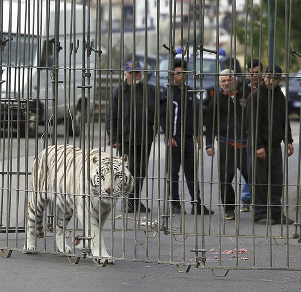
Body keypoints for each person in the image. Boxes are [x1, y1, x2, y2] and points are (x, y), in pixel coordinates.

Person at [161, 59, 213, 215]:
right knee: (173, 172)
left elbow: (196, 114)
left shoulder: (190, 92)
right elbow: (164, 116)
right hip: (174, 138)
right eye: (178, 73)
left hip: (189, 138)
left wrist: (198, 132)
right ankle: (175, 203)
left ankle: (196, 203)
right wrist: (168, 135)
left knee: (191, 172)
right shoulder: (168, 92)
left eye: (184, 73)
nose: (181, 76)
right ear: (172, 75)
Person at [246, 64, 294, 225]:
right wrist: (258, 146)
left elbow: (284, 118)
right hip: (260, 144)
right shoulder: (256, 96)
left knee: (276, 180)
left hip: (274, 144)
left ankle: (276, 213)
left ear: (279, 79)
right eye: (268, 77)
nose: (270, 80)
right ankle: (259, 214)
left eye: (274, 78)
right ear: (264, 76)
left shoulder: (280, 95)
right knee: (259, 180)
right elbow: (252, 124)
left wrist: (288, 139)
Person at [106, 61, 156, 213]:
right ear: (125, 74)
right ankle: (128, 201)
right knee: (129, 170)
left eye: (137, 72)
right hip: (126, 139)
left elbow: (160, 108)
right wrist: (114, 138)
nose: (135, 75)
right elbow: (111, 116)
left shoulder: (149, 90)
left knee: (141, 171)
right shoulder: (118, 91)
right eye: (131, 72)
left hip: (145, 137)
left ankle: (135, 201)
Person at [205, 69, 248, 220]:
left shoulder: (246, 96)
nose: (226, 83)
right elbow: (210, 123)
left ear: (235, 80)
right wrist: (209, 144)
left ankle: (262, 209)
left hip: (246, 144)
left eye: (228, 80)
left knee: (254, 177)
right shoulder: (216, 99)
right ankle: (229, 209)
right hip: (225, 143)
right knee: (225, 178)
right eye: (223, 81)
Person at [240, 59, 264, 212]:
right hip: (247, 132)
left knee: (263, 166)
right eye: (252, 73)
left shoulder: (266, 89)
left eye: (257, 73)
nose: (255, 76)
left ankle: (263, 198)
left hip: (263, 132)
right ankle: (246, 198)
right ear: (248, 72)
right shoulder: (242, 90)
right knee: (248, 166)